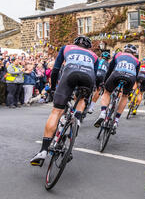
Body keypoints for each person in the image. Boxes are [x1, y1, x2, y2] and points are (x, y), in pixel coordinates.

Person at [30, 36, 99, 166]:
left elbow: (55, 70)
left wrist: (53, 88)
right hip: (88, 78)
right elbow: (94, 77)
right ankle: (77, 119)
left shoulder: (66, 48)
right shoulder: (94, 55)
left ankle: (43, 151)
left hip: (69, 75)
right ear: (88, 47)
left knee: (56, 112)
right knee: (81, 100)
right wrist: (88, 94)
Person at [94, 44, 140, 130]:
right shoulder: (137, 61)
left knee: (107, 92)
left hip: (117, 73)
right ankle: (116, 120)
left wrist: (105, 81)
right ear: (134, 53)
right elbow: (136, 76)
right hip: (131, 77)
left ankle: (103, 113)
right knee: (125, 96)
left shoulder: (118, 54)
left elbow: (110, 69)